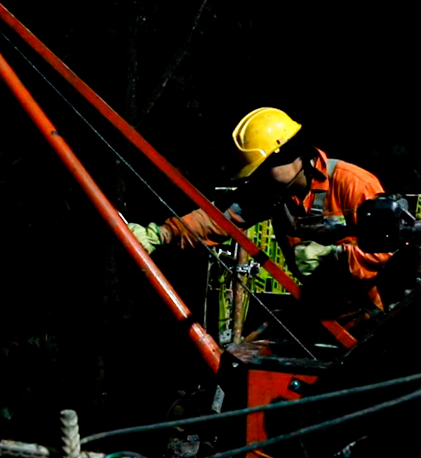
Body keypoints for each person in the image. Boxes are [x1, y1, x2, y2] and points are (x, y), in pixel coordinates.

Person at [129, 107, 393, 321]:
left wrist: (336, 256)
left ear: (286, 153)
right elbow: (218, 220)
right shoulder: (273, 192)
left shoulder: (353, 184)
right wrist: (160, 234)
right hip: (319, 313)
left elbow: (389, 253)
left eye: (262, 168)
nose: (258, 178)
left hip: (369, 317)